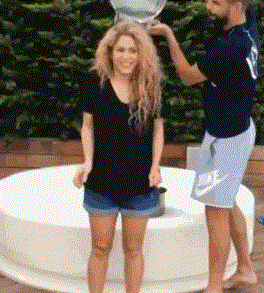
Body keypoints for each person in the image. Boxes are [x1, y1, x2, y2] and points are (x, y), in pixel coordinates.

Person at [147, 0, 260, 292]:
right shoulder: (249, 24)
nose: (208, 6)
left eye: (216, 1)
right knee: (227, 200)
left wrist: (169, 35)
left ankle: (213, 288)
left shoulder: (229, 48)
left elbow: (187, 76)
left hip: (227, 139)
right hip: (240, 128)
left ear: (236, 3)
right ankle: (245, 269)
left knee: (216, 213)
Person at [73, 21, 167, 293]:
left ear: (142, 54)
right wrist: (87, 160)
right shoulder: (94, 82)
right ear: (110, 52)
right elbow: (87, 125)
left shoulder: (152, 85)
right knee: (100, 248)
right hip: (101, 182)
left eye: (133, 51)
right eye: (120, 50)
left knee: (134, 249)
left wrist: (155, 166)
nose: (126, 56)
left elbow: (159, 129)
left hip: (139, 184)